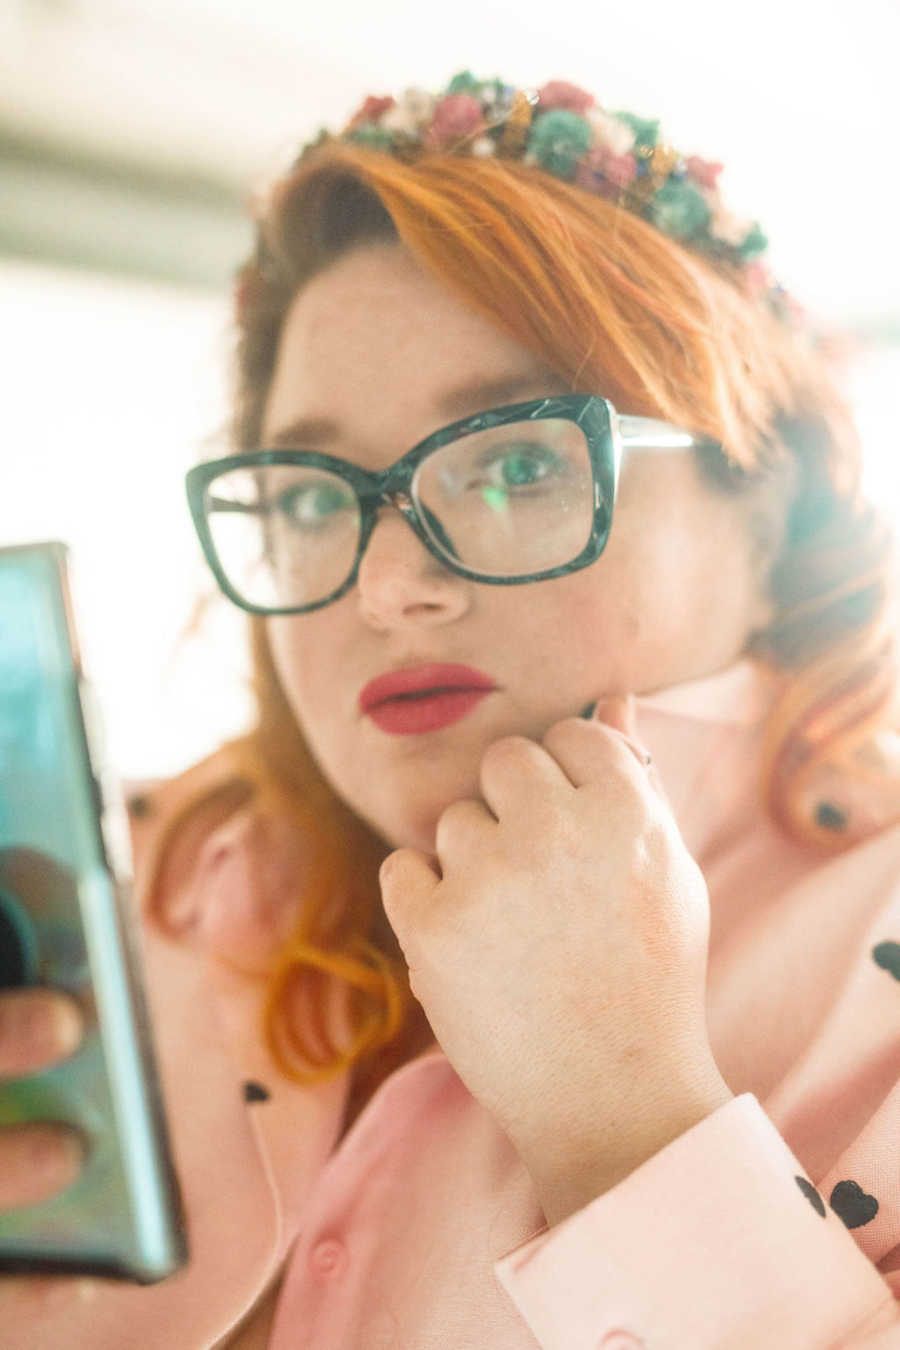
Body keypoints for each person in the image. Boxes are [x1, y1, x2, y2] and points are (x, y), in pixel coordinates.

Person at [4, 69, 900, 1349]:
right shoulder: (117, 898)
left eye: (521, 460)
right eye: (317, 497)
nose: (387, 586)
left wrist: (625, 1123)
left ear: (765, 508)